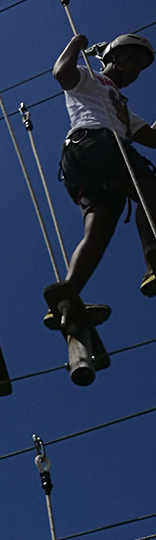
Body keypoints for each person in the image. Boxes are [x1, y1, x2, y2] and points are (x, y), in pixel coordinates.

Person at [50, 33, 156, 326]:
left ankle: (67, 298)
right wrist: (76, 43)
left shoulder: (123, 109)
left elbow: (152, 137)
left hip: (84, 164)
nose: (136, 69)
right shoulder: (91, 77)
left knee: (100, 229)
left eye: (141, 66)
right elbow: (62, 73)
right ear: (114, 58)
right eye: (132, 60)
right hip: (95, 142)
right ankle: (153, 261)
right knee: (149, 188)